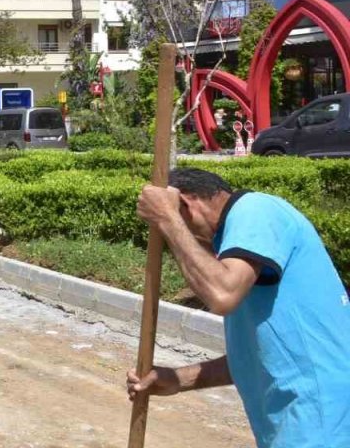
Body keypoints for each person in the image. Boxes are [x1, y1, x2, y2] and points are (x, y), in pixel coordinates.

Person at [128, 168, 350, 446]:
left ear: (185, 203)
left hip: (321, 421)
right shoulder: (237, 248)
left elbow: (222, 294)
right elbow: (257, 359)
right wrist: (179, 379)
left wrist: (167, 219)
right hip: (298, 424)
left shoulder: (256, 210)